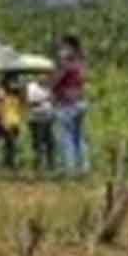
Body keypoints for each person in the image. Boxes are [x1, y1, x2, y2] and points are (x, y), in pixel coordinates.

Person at [52, 36, 89, 176]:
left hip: (67, 104)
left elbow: (55, 81)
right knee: (79, 138)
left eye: (62, 46)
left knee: (66, 138)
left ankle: (70, 170)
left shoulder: (66, 63)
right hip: (80, 101)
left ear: (69, 47)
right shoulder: (81, 63)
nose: (60, 49)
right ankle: (83, 168)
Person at [25, 68, 56, 172]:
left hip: (48, 118)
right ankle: (37, 165)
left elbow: (53, 100)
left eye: (46, 76)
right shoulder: (32, 87)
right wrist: (45, 99)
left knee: (50, 143)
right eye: (42, 76)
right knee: (38, 143)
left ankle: (51, 165)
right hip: (36, 119)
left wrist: (51, 99)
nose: (44, 78)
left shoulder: (48, 87)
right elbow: (31, 102)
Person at [0, 70, 27, 170]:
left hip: (14, 121)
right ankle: (9, 162)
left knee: (13, 143)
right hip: (7, 121)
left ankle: (11, 162)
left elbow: (23, 103)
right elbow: (0, 108)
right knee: (9, 143)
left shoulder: (16, 96)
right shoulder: (3, 95)